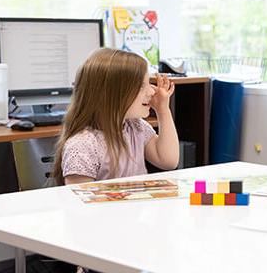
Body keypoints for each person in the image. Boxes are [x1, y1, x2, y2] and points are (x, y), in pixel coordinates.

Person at [53, 48, 180, 185]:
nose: (151, 91)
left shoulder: (135, 127)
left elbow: (169, 161)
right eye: (141, 86)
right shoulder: (83, 145)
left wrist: (163, 110)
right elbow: (79, 200)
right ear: (111, 95)